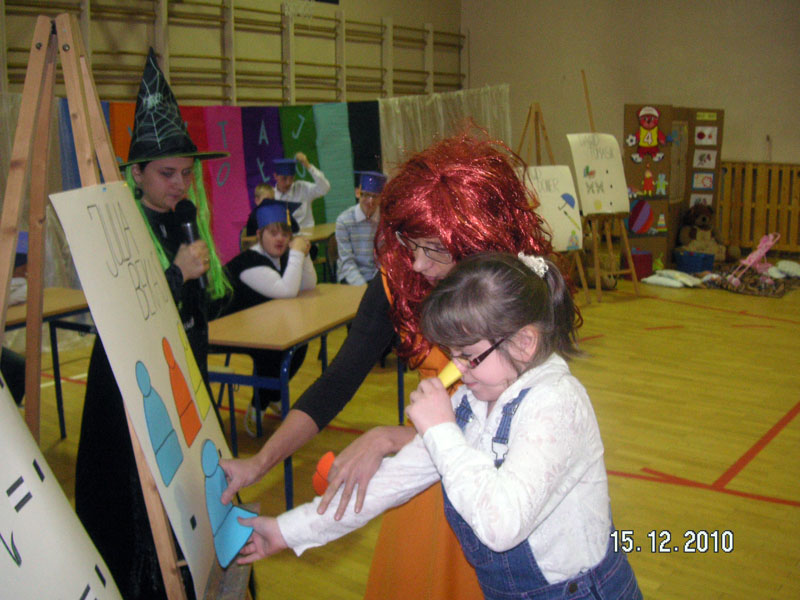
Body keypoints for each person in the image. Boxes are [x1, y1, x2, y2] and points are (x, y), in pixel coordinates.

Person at [220, 131, 558, 599]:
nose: (415, 263)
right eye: (409, 242)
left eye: (432, 248)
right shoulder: (399, 277)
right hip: (422, 474)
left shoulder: (521, 297)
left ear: (473, 238)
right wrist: (259, 463)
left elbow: (499, 431)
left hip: (490, 490)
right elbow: (338, 380)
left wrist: (387, 438)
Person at [237, 253, 642, 600]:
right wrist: (286, 531)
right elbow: (388, 484)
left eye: (469, 356)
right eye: (453, 355)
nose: (458, 370)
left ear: (524, 343)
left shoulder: (557, 403)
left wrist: (440, 432)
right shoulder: (475, 399)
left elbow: (502, 525)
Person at [74, 48, 231, 600]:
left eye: (187, 173)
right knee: (141, 512)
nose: (179, 184)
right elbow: (122, 312)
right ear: (136, 173)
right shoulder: (120, 230)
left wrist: (205, 283)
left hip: (183, 383)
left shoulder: (187, 222)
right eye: (166, 174)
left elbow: (201, 314)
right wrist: (176, 274)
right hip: (130, 396)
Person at [222, 202, 317, 435]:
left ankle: (271, 396)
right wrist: (296, 253)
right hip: (223, 330)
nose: (280, 239)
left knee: (298, 344)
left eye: (285, 234)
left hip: (254, 327)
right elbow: (287, 291)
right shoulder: (249, 262)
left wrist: (302, 256)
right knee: (273, 351)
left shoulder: (278, 258)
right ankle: (259, 404)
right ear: (259, 235)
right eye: (273, 233)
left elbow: (308, 285)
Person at [335, 170, 385, 285]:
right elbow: (347, 262)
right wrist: (363, 287)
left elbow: (382, 259)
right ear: (357, 193)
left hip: (376, 278)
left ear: (381, 198)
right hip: (350, 277)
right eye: (366, 195)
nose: (370, 201)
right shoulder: (344, 221)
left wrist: (375, 285)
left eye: (375, 196)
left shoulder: (384, 220)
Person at [271, 152, 331, 230]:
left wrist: (308, 166)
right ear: (275, 176)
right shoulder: (271, 195)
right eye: (284, 178)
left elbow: (325, 188)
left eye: (291, 178)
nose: (288, 182)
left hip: (307, 233)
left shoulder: (302, 188)